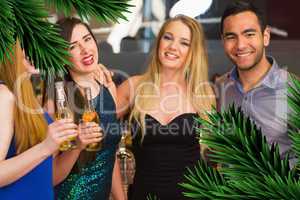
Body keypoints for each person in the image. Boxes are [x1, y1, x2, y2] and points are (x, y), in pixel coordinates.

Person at [117, 15, 216, 199]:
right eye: (168, 37)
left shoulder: (203, 93)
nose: (172, 47)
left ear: (193, 52)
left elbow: (213, 153)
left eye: (184, 43)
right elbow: (99, 135)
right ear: (159, 41)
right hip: (143, 193)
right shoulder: (133, 87)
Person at [52, 17, 125, 200]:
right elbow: (51, 177)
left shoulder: (108, 88)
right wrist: (77, 146)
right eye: (72, 46)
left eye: (87, 39)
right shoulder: (58, 102)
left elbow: (110, 155)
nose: (85, 49)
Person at [0, 40, 79, 199]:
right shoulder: (4, 95)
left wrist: (78, 145)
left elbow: (46, 177)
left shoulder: (25, 95)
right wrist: (46, 147)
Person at [216, 1, 293, 162]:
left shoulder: (294, 89)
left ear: (265, 37)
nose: (240, 45)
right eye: (231, 37)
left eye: (249, 34)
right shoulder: (220, 88)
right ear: (223, 41)